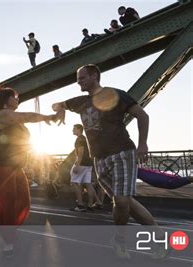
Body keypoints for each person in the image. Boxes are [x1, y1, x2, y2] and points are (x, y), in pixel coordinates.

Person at [51, 64, 169, 260]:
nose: (78, 81)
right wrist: (61, 109)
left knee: (122, 200)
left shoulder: (116, 95)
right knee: (124, 201)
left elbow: (142, 115)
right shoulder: (80, 102)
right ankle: (158, 235)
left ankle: (120, 241)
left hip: (122, 152)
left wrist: (143, 144)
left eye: (81, 78)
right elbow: (55, 105)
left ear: (95, 76)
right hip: (100, 159)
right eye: (77, 79)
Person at [0, 86, 59, 257]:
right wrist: (47, 117)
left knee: (23, 202)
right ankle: (9, 241)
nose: (18, 99)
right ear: (6, 100)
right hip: (0, 165)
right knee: (8, 204)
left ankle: (9, 230)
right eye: (14, 96)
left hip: (15, 166)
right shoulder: (2, 115)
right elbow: (28, 116)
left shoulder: (14, 118)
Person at [69, 124, 103, 212]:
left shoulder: (79, 139)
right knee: (88, 183)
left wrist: (77, 165)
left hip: (82, 163)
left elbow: (81, 152)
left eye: (74, 129)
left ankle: (80, 205)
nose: (72, 130)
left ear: (79, 130)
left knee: (74, 182)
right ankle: (92, 204)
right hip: (89, 164)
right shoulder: (85, 138)